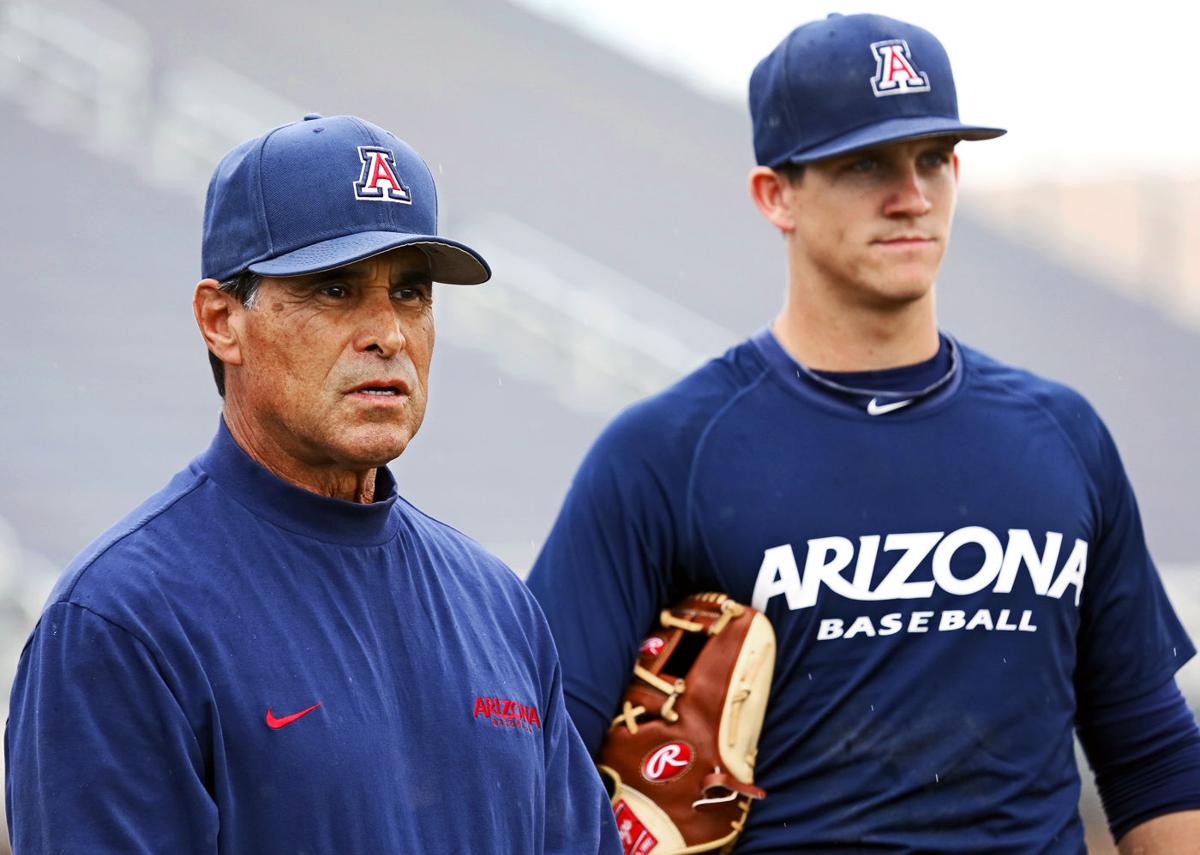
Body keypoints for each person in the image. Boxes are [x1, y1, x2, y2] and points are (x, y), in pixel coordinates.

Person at [527, 14, 1200, 853]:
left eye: (933, 160)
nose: (911, 194)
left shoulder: (1061, 436)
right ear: (776, 194)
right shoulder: (667, 453)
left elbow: (1152, 755)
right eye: (866, 163)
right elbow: (532, 759)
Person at [5, 113, 621, 855]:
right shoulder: (120, 622)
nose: (387, 333)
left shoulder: (498, 608)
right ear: (221, 319)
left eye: (412, 293)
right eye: (334, 288)